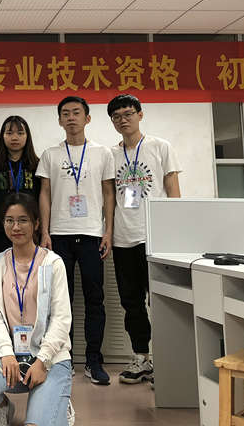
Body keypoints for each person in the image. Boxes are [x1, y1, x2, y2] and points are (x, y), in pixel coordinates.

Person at [0, 193, 73, 426]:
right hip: (13, 357)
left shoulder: (53, 263)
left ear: (36, 224)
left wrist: (43, 361)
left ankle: (60, 402)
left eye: (23, 220)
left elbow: (61, 319)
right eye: (9, 220)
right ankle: (2, 405)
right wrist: (6, 353)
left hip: (50, 359)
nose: (16, 227)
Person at [37, 96, 115, 386]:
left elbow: (109, 193)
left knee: (95, 299)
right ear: (59, 120)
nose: (71, 117)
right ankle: (63, 360)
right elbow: (44, 194)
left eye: (76, 113)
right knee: (61, 301)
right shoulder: (50, 154)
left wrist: (108, 231)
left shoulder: (102, 153)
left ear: (87, 118)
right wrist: (45, 232)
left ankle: (94, 361)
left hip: (93, 234)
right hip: (59, 235)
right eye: (66, 113)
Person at [107, 94, 181, 385]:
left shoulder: (160, 147)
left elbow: (173, 190)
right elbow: (109, 196)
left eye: (128, 113)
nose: (122, 120)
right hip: (123, 239)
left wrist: (173, 233)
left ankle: (167, 361)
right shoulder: (111, 155)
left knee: (161, 302)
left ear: (140, 114)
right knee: (132, 303)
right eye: (116, 116)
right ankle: (141, 358)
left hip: (154, 238)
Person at [0, 115, 41, 255]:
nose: (14, 137)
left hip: (30, 229)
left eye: (20, 133)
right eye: (9, 133)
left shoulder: (37, 165)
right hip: (1, 230)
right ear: (2, 136)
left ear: (27, 136)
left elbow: (41, 198)